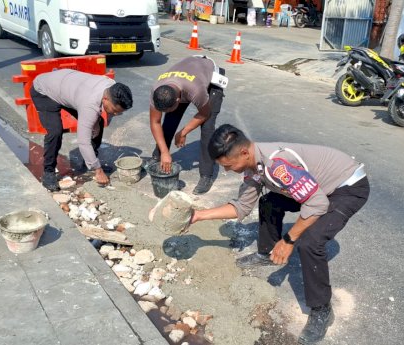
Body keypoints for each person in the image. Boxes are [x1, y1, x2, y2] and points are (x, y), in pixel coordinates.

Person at [189, 124, 370, 344]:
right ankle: (266, 253)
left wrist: (289, 239)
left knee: (310, 242)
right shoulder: (252, 166)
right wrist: (198, 215)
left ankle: (322, 310)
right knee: (268, 202)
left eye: (229, 165)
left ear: (244, 152)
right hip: (317, 189)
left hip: (346, 187)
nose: (227, 170)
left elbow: (317, 204)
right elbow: (241, 207)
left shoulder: (277, 166)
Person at [31, 69, 133, 191]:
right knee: (55, 132)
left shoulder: (111, 86)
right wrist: (99, 170)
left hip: (67, 88)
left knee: (98, 123)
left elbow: (106, 113)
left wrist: (97, 123)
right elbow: (83, 141)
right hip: (44, 91)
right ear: (105, 99)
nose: (115, 114)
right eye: (114, 110)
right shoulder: (89, 105)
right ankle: (48, 172)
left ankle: (90, 161)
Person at [149, 56, 225, 195]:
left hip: (210, 76)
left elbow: (204, 114)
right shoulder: (157, 90)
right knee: (170, 119)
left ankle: (206, 175)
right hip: (187, 74)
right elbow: (155, 122)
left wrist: (183, 132)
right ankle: (158, 155)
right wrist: (166, 152)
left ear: (178, 99)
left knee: (207, 128)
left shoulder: (196, 91)